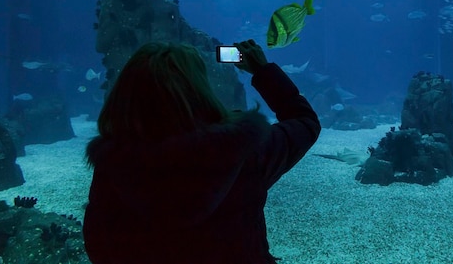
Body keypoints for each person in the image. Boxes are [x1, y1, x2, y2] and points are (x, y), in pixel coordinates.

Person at [83, 39, 321, 264]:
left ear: (126, 93)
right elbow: (305, 121)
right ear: (200, 89)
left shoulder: (114, 164)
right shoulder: (243, 150)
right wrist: (263, 71)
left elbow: (98, 245)